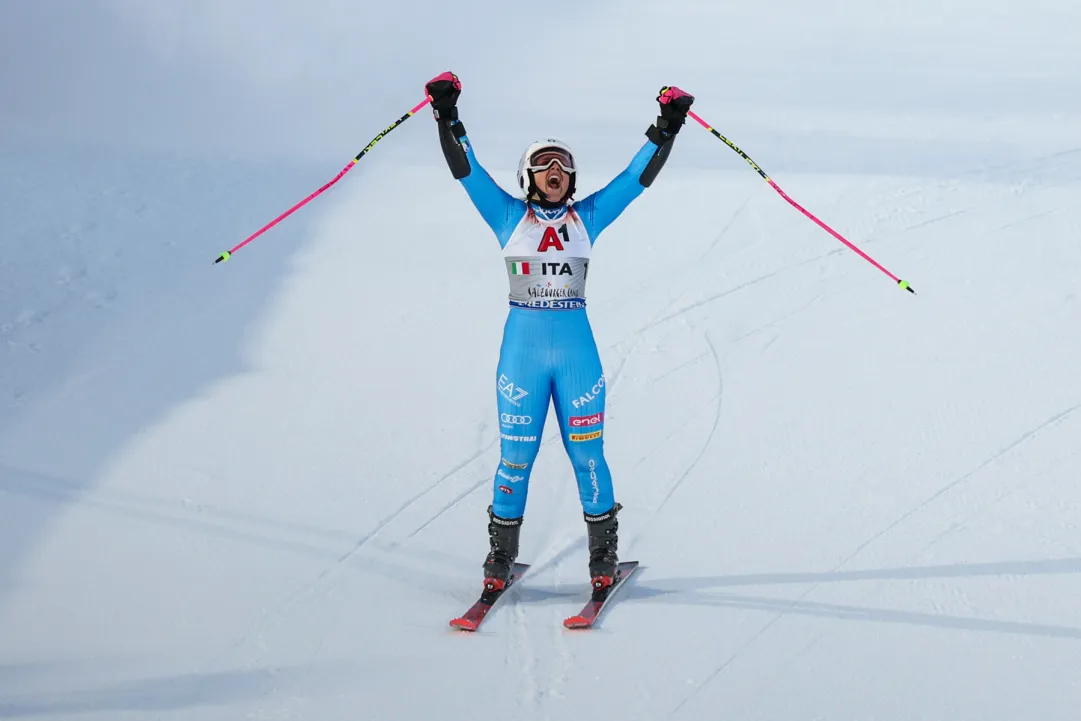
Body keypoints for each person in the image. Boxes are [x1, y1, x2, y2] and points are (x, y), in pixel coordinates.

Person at [423, 71, 694, 592]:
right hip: (523, 356)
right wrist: (447, 115)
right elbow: (466, 169)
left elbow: (635, 180)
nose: (556, 171)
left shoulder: (587, 218)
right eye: (545, 164)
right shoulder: (507, 216)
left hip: (576, 359)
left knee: (588, 454)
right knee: (515, 458)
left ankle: (603, 557)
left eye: (564, 166)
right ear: (528, 176)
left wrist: (666, 126)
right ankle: (500, 559)